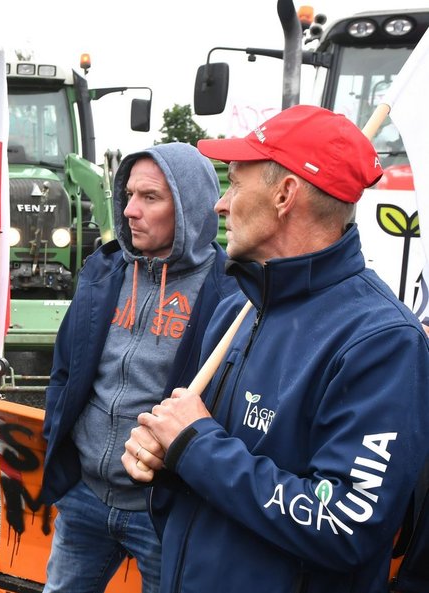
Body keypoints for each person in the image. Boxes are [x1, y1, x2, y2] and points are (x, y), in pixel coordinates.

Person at [124, 105, 429, 593]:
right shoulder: (236, 309)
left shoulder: (383, 341)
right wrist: (169, 462)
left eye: (236, 185)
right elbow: (213, 467)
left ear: (285, 195)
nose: (221, 205)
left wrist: (196, 446)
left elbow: (346, 526)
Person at [40, 143, 238, 593]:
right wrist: (62, 451)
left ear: (188, 206)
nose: (129, 210)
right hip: (84, 499)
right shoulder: (104, 270)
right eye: (128, 194)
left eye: (150, 197)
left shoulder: (228, 294)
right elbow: (65, 371)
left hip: (164, 511)